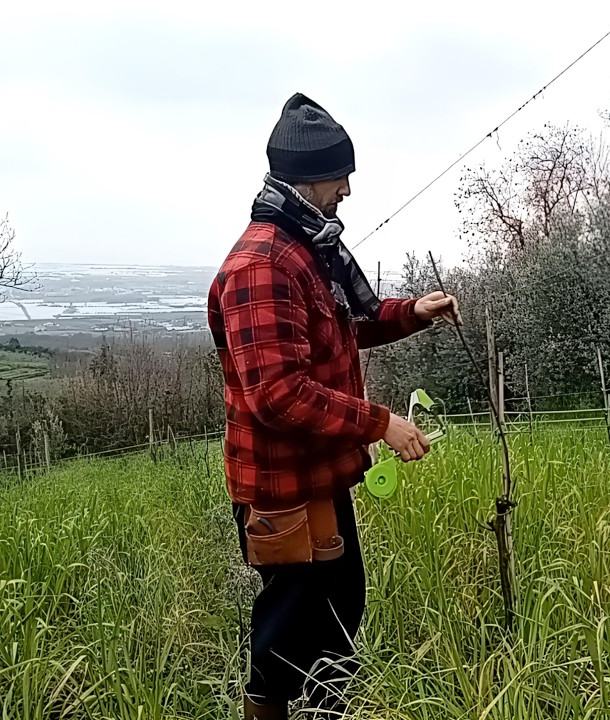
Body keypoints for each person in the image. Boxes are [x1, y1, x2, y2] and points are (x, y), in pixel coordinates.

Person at [207, 93, 460, 720]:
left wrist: (408, 315)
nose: (347, 188)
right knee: (287, 639)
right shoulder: (263, 265)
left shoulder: (307, 249)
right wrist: (382, 422)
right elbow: (277, 393)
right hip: (284, 490)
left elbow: (338, 329)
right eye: (339, 175)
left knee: (337, 627)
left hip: (321, 479)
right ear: (306, 176)